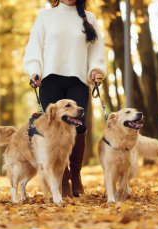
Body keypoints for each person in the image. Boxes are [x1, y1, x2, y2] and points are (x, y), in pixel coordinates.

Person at [23, 0, 107, 197]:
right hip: (49, 81)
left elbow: (96, 50)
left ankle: (76, 174)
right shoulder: (45, 16)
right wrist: (34, 70)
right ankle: (62, 177)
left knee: (78, 125)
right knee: (53, 127)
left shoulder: (89, 18)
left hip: (78, 81)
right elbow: (34, 47)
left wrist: (96, 69)